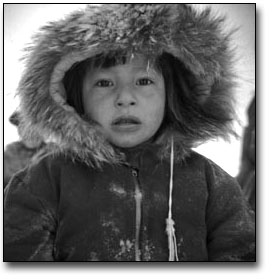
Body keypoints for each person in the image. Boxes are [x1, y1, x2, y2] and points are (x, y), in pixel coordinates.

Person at [4, 4, 255, 261]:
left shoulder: (212, 185)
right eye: (104, 83)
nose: (125, 98)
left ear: (172, 94)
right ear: (74, 98)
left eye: (144, 80)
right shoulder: (42, 184)